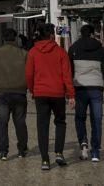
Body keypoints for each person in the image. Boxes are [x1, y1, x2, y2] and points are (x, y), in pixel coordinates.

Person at [25, 23, 75, 171]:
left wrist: (32, 89)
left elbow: (28, 74)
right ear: (52, 35)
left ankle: (45, 160)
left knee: (42, 126)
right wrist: (71, 94)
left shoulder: (33, 52)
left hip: (40, 93)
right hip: (58, 93)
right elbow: (67, 75)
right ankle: (59, 152)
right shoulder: (61, 52)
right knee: (60, 122)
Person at [68, 24, 104, 162]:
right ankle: (95, 152)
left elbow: (68, 71)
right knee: (97, 119)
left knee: (80, 118)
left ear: (81, 34)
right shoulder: (100, 49)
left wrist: (69, 92)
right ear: (92, 34)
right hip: (96, 88)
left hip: (80, 88)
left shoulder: (73, 48)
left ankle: (83, 143)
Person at [0, 28, 29, 161]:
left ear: (3, 39)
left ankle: (3, 151)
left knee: (2, 122)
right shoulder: (24, 54)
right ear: (15, 38)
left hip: (1, 93)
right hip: (20, 91)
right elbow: (29, 72)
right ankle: (22, 149)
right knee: (20, 122)